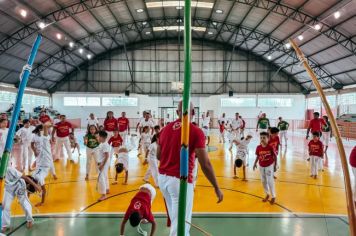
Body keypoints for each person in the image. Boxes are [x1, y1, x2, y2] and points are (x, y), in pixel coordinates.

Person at [157, 101, 223, 236]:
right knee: (180, 226)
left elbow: (159, 155)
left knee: (176, 219)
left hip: (162, 179)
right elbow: (205, 164)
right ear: (193, 113)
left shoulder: (165, 129)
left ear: (177, 112)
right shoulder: (195, 131)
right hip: (179, 182)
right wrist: (216, 186)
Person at [1, 166, 41, 232]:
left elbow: (25, 177)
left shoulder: (9, 169)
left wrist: (35, 185)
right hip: (8, 189)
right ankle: (5, 225)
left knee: (25, 203)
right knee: (5, 206)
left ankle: (30, 220)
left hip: (19, 185)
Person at [31, 123, 57, 206]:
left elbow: (44, 190)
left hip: (43, 160)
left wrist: (42, 202)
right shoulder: (35, 177)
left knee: (45, 140)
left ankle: (54, 174)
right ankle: (49, 124)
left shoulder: (36, 177)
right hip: (44, 161)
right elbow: (43, 190)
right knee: (45, 142)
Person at [253, 132, 277, 204]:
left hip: (269, 166)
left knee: (270, 181)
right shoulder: (258, 147)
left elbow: (275, 156)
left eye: (264, 138)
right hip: (261, 166)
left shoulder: (270, 147)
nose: (262, 139)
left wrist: (275, 165)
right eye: (261, 138)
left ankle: (273, 196)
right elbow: (258, 156)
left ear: (268, 138)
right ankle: (267, 194)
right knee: (263, 181)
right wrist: (254, 163)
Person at [96, 131, 110, 201]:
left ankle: (103, 195)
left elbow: (107, 155)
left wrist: (102, 165)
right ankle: (107, 189)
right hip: (102, 163)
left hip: (103, 163)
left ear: (102, 137)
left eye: (98, 136)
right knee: (105, 176)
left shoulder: (105, 145)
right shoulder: (102, 143)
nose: (98, 137)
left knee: (101, 178)